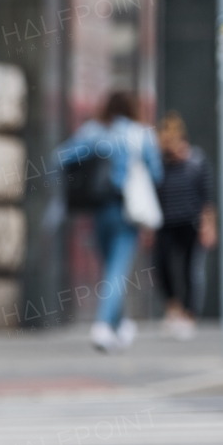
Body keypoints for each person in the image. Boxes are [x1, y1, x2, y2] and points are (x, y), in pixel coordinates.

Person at [57, 91, 163, 353]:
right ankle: (103, 326)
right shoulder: (140, 134)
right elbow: (157, 173)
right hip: (127, 211)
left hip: (98, 210)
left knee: (111, 269)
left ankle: (121, 325)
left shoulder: (93, 131)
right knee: (117, 270)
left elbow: (61, 157)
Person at [153, 111, 216, 341]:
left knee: (192, 269)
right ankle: (173, 309)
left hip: (190, 222)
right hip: (165, 223)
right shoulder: (159, 163)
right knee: (163, 267)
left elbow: (206, 197)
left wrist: (209, 226)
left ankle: (190, 315)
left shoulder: (196, 161)